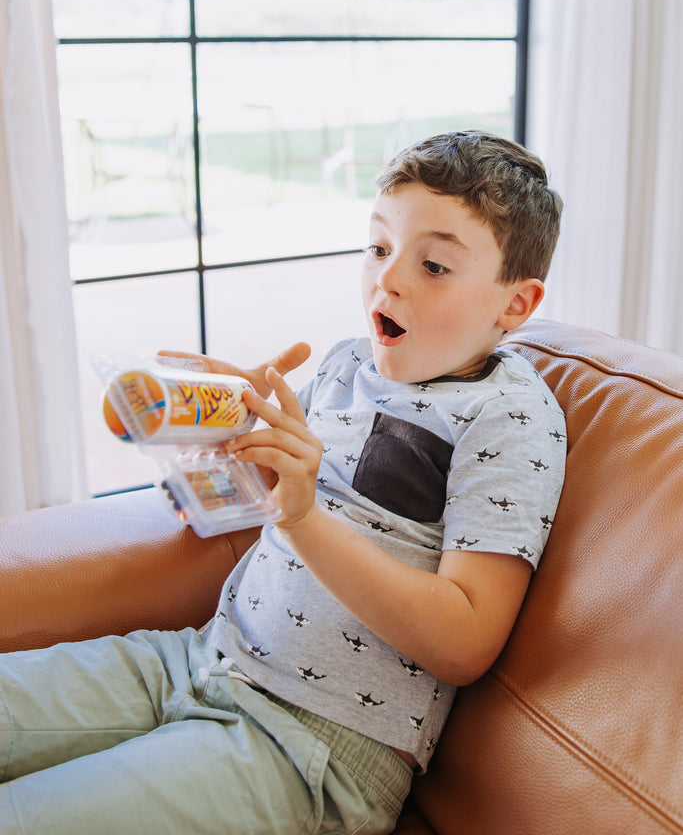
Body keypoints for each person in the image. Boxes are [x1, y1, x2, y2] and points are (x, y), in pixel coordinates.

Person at [0, 131, 566, 835]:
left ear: (514, 305)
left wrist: (304, 519)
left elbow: (464, 641)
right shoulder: (345, 363)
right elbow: (280, 493)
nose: (387, 280)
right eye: (378, 247)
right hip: (200, 657)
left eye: (434, 265)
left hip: (310, 745)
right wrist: (234, 437)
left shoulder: (507, 417)